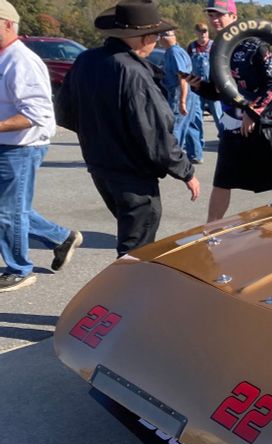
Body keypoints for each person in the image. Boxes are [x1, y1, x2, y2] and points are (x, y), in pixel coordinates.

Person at [56, 0, 200, 257]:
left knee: (130, 238)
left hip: (100, 167)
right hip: (132, 177)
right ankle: (129, 296)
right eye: (154, 35)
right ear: (141, 37)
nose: (156, 40)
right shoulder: (132, 71)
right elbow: (155, 134)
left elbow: (65, 113)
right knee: (135, 251)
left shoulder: (86, 60)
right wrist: (186, 172)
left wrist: (99, 133)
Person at [0, 0, 81, 292]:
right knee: (9, 208)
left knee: (9, 210)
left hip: (21, 147)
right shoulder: (3, 56)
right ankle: (61, 238)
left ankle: (19, 268)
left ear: (8, 24)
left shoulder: (22, 61)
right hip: (7, 144)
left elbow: (37, 114)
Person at [191, 0, 272, 222]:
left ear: (233, 17)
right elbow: (222, 92)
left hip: (262, 126)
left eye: (220, 14)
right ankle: (212, 231)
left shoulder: (255, 46)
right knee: (222, 182)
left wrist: (253, 112)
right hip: (232, 125)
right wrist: (199, 86)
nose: (215, 19)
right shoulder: (217, 49)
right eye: (211, 15)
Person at [159, 29, 201, 163]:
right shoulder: (176, 51)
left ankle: (174, 159)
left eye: (162, 36)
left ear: (169, 37)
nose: (160, 39)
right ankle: (195, 154)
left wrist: (182, 101)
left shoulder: (174, 53)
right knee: (190, 124)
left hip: (179, 92)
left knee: (176, 125)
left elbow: (183, 77)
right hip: (189, 92)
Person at [188, 22, 223, 137]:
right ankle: (197, 146)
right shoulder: (191, 47)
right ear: (196, 33)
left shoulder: (214, 45)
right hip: (197, 88)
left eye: (205, 31)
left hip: (212, 87)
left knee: (218, 115)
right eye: (200, 31)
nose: (203, 34)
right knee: (196, 117)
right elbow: (187, 66)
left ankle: (224, 137)